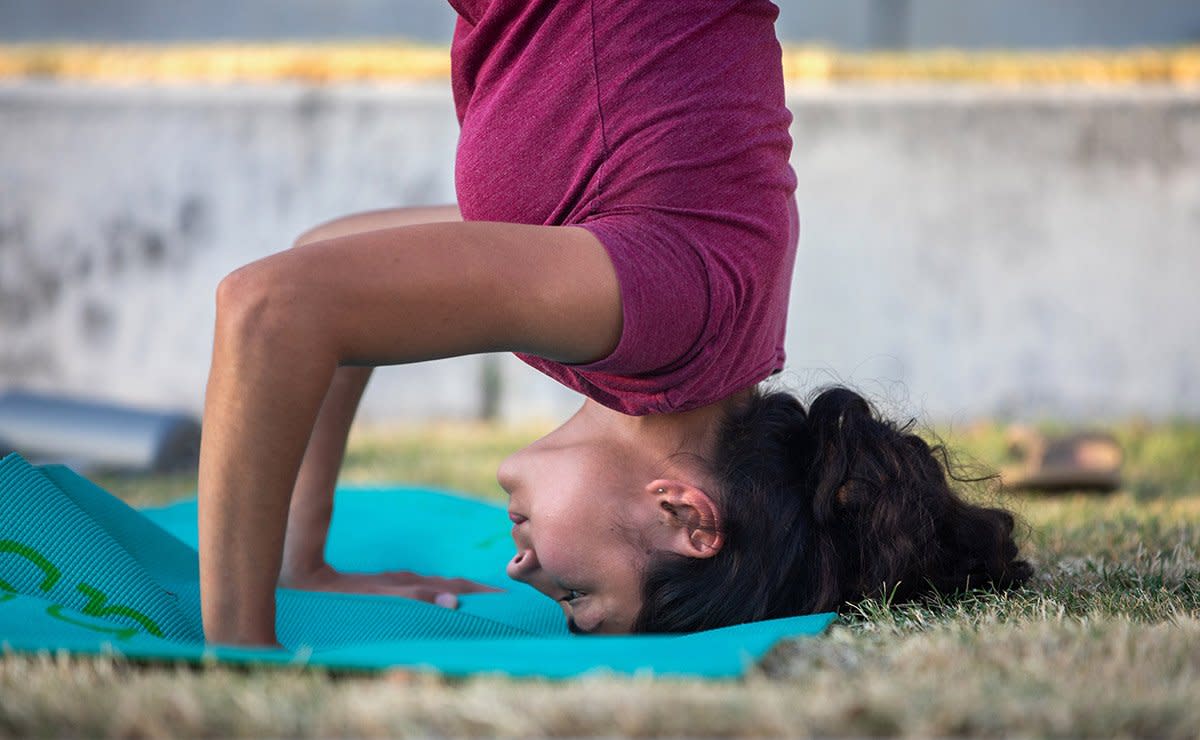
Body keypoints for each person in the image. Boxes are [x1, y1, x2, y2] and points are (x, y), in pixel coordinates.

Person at [197, 0, 1031, 645]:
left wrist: (298, 565)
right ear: (684, 517)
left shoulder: (659, 340)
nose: (521, 568)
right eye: (574, 592)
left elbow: (322, 276)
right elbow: (271, 312)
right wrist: (238, 648)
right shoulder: (666, 320)